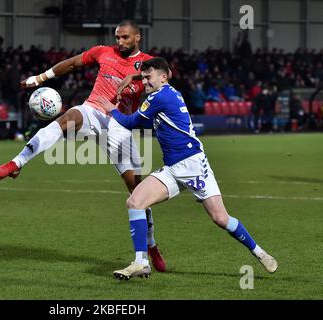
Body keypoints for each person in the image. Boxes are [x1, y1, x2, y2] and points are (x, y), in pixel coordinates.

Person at [0, 20, 167, 272]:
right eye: (117, 37)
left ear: (137, 37)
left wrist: (136, 75)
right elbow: (72, 63)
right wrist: (39, 78)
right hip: (93, 110)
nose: (120, 42)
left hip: (120, 126)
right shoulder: (103, 52)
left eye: (125, 38)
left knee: (138, 193)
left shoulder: (149, 63)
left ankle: (151, 245)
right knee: (65, 119)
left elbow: (166, 76)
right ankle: (17, 162)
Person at [97, 57, 278, 280]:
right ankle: (141, 262)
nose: (145, 81)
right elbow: (145, 122)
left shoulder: (159, 96)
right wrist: (132, 82)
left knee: (220, 218)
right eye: (143, 77)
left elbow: (132, 122)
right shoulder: (167, 94)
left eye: (148, 76)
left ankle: (259, 253)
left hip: (193, 165)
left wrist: (110, 110)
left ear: (163, 77)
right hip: (173, 167)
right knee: (135, 202)